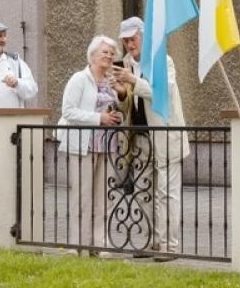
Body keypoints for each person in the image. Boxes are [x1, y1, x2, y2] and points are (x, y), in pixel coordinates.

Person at [115, 16, 189, 254]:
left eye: (133, 38)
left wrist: (133, 81)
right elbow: (125, 105)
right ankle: (150, 242)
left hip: (165, 135)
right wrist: (122, 94)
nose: (129, 44)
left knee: (167, 192)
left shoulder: (163, 61)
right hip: (139, 138)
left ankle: (170, 245)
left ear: (144, 37)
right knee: (143, 191)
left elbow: (162, 93)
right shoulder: (124, 64)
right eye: (125, 40)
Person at [59, 36, 126, 251]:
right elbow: (68, 111)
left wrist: (116, 115)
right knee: (83, 195)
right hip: (83, 145)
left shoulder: (110, 83)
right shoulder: (79, 79)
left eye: (111, 53)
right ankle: (79, 243)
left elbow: (118, 111)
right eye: (104, 52)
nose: (109, 56)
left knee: (103, 197)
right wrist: (99, 119)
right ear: (92, 55)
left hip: (107, 145)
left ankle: (99, 243)